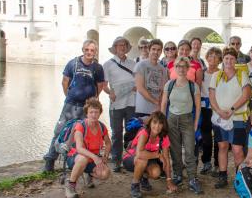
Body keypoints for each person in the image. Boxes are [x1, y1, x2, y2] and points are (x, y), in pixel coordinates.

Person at [43, 39, 105, 172]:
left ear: (95, 52)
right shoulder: (73, 63)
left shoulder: (97, 68)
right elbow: (65, 81)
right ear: (83, 50)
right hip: (70, 105)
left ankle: (75, 161)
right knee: (59, 131)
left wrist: (92, 99)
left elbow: (100, 85)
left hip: (86, 109)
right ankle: (50, 159)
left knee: (83, 134)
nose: (89, 52)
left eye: (92, 50)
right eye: (87, 50)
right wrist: (69, 95)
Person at [209, 47, 251, 188]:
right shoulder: (216, 76)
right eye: (226, 58)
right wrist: (219, 111)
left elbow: (246, 95)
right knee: (222, 146)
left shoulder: (242, 75)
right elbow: (212, 97)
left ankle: (240, 178)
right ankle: (223, 176)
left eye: (232, 58)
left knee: (237, 149)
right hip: (219, 118)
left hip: (237, 118)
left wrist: (231, 110)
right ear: (223, 60)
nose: (229, 61)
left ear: (235, 60)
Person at [161, 57, 203, 194]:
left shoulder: (193, 86)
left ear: (188, 68)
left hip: (187, 120)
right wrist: (162, 122)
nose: (181, 69)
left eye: (184, 66)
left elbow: (198, 107)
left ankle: (192, 179)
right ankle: (178, 174)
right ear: (175, 68)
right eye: (178, 66)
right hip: (172, 119)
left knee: (190, 150)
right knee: (175, 150)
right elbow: (163, 104)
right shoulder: (169, 84)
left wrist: (196, 123)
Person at [65, 98, 111, 198]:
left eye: (96, 112)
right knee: (83, 159)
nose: (94, 115)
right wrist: (95, 157)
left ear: (100, 113)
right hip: (75, 157)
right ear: (86, 113)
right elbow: (79, 148)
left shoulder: (102, 127)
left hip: (92, 159)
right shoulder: (81, 126)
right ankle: (71, 185)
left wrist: (105, 156)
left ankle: (89, 174)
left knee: (105, 173)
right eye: (91, 112)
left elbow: (108, 143)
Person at [103, 36, 136, 172]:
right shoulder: (108, 64)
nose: (122, 47)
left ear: (127, 48)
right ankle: (116, 160)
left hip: (131, 102)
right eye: (119, 45)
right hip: (116, 103)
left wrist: (136, 86)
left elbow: (137, 80)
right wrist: (110, 92)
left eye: (124, 45)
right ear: (115, 48)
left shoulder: (133, 63)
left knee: (131, 131)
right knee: (116, 132)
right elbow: (104, 85)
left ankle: (130, 159)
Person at [127, 111, 178, 198]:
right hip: (132, 158)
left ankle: (143, 177)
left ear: (163, 125)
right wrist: (158, 155)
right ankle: (135, 185)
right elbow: (139, 154)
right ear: (150, 122)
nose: (157, 126)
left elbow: (166, 158)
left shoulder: (164, 137)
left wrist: (169, 180)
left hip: (148, 159)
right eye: (155, 122)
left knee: (156, 173)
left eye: (160, 123)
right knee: (142, 158)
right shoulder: (144, 133)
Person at [199, 47, 222, 175]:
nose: (212, 58)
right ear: (206, 57)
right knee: (206, 138)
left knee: (218, 138)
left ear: (219, 60)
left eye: (215, 56)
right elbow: (198, 90)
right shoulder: (201, 72)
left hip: (218, 107)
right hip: (205, 108)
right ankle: (206, 162)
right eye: (210, 56)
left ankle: (218, 165)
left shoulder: (221, 73)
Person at [134, 39, 169, 118]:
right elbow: (140, 88)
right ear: (149, 50)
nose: (156, 52)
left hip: (156, 110)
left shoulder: (163, 69)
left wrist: (160, 106)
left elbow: (164, 90)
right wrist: (156, 102)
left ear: (161, 52)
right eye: (153, 49)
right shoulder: (140, 65)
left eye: (158, 50)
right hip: (142, 109)